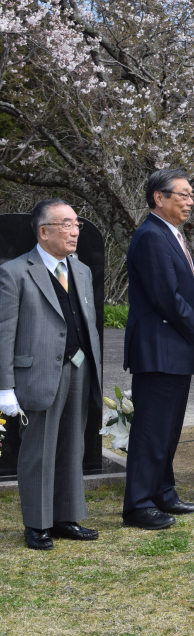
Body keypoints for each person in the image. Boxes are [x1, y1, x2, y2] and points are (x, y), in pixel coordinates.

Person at [0, 199, 102, 549]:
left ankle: (66, 517)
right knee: (38, 451)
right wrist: (5, 387)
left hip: (79, 369)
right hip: (38, 373)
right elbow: (4, 332)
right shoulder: (15, 272)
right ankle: (37, 524)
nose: (75, 231)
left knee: (73, 445)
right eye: (66, 224)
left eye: (77, 224)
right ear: (44, 231)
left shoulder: (82, 271)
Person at [123, 169, 194, 530]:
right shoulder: (150, 236)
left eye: (192, 195)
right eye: (183, 194)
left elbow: (190, 290)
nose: (190, 201)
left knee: (169, 427)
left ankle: (162, 491)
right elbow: (165, 295)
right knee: (151, 428)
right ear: (159, 198)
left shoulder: (170, 234)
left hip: (175, 346)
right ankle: (138, 504)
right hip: (159, 346)